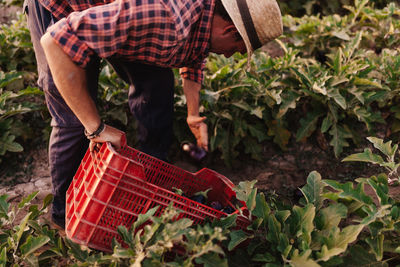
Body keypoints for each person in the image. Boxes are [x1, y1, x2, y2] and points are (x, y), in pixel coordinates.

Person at [25, 0, 282, 228]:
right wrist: (96, 128)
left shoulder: (203, 16)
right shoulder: (165, 16)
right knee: (72, 117)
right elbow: (56, 41)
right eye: (236, 49)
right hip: (60, 13)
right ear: (229, 30)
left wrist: (193, 115)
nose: (229, 54)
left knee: (157, 86)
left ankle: (147, 182)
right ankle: (65, 217)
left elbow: (196, 54)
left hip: (116, 16)